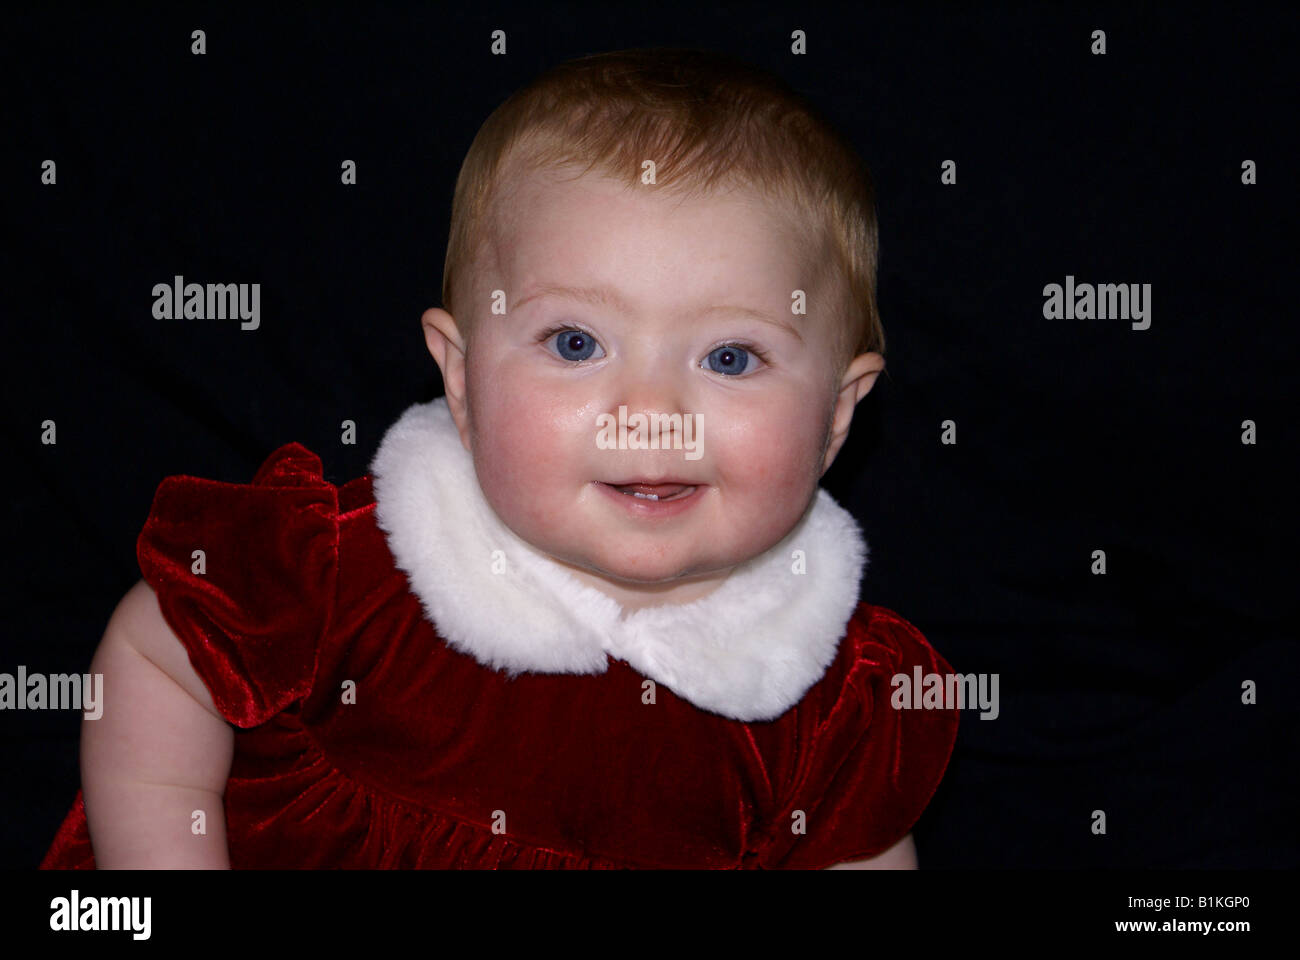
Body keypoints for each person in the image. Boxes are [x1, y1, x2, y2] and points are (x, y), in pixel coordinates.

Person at [41, 47, 959, 870]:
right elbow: (160, 659)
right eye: (573, 343)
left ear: (836, 418)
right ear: (465, 380)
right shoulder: (345, 572)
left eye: (730, 359)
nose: (651, 414)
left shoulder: (833, 702)